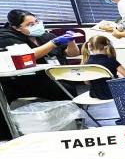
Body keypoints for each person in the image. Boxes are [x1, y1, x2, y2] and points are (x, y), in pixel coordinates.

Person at [0, 9, 80, 139]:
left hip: (51, 77)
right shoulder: (6, 37)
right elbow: (26, 57)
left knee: (66, 89)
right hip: (20, 80)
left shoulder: (44, 36)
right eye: (30, 24)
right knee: (63, 90)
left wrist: (71, 41)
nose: (36, 25)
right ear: (16, 27)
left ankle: (71, 124)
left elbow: (73, 54)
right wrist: (52, 44)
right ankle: (7, 137)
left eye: (36, 21)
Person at [81, 35, 125, 100]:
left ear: (89, 46)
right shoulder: (111, 60)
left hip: (94, 94)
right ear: (106, 47)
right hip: (111, 94)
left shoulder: (86, 62)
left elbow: (86, 82)